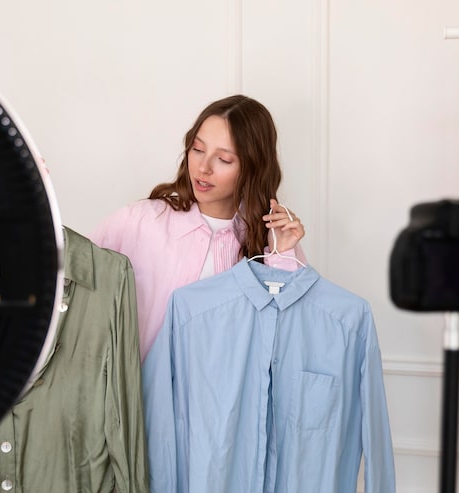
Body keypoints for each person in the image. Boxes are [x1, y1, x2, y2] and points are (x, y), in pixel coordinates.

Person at [90, 94, 307, 360]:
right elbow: (67, 275)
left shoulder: (275, 242)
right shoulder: (140, 221)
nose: (203, 167)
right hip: (141, 386)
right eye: (198, 149)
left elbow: (291, 342)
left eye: (223, 159)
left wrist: (281, 256)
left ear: (252, 168)